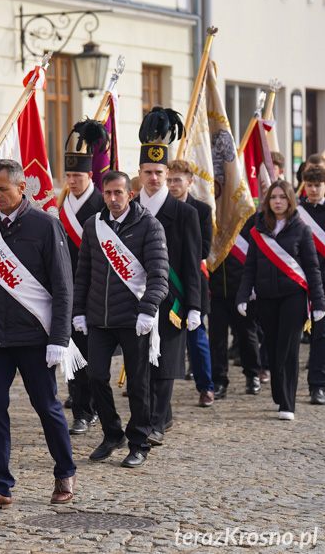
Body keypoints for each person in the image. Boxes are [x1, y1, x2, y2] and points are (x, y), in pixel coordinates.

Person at [0, 159, 77, 510]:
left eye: (2, 189)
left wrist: (59, 339)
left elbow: (63, 288)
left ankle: (65, 471)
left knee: (46, 407)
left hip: (34, 337)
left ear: (21, 188)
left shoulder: (45, 225)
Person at [74, 170, 169, 468]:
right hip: (99, 319)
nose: (113, 199)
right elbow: (84, 272)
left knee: (139, 384)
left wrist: (148, 308)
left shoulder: (149, 226)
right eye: (108, 193)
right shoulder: (94, 225)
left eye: (119, 193)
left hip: (134, 317)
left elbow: (159, 276)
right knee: (96, 377)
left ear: (131, 194)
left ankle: (139, 442)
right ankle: (112, 433)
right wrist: (78, 310)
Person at [136, 107, 201, 445]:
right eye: (148, 171)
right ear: (140, 173)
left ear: (167, 172)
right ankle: (146, 420)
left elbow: (191, 263)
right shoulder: (129, 208)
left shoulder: (185, 213)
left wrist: (194, 306)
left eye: (159, 172)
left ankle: (157, 424)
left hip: (172, 301)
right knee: (140, 366)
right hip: (134, 298)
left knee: (165, 366)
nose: (154, 178)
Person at [237, 180, 325, 421]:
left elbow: (312, 268)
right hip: (266, 297)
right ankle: (278, 395)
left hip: (293, 296)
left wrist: (318, 303)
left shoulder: (302, 229)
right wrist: (243, 295)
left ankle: (288, 403)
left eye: (282, 197)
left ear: (290, 200)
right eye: (273, 197)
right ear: (268, 201)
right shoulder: (258, 229)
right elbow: (251, 266)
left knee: (288, 348)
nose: (277, 201)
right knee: (273, 348)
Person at [57, 119, 106, 435]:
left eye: (77, 175)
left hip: (96, 290)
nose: (72, 180)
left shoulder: (101, 204)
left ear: (90, 175)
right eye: (69, 175)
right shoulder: (61, 204)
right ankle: (81, 410)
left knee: (94, 356)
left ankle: (95, 407)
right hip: (67, 289)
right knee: (72, 352)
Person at [167, 160, 214, 406]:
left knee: (197, 338)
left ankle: (206, 387)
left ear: (189, 181)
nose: (172, 185)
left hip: (192, 279)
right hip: (165, 281)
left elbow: (204, 248)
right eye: (169, 180)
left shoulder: (202, 210)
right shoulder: (160, 206)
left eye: (177, 180)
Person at [209, 215, 262, 398]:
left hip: (242, 289)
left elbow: (256, 252)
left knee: (247, 334)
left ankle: (252, 375)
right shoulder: (214, 215)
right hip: (215, 289)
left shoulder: (247, 216)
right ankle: (219, 380)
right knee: (217, 338)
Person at [299, 165, 325, 404]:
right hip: (298, 280)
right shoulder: (297, 213)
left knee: (321, 335)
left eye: (317, 185)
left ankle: (317, 384)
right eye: (309, 185)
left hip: (323, 283)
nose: (313, 190)